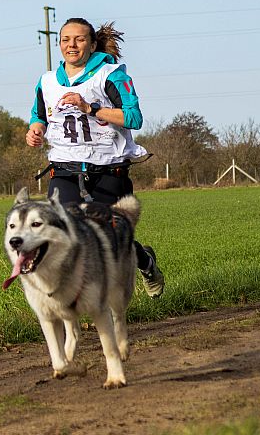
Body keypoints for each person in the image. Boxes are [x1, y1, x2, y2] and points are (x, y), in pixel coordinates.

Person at [26, 17, 165, 298]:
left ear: (91, 44)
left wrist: (90, 107)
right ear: (59, 43)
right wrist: (35, 130)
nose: (71, 45)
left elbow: (133, 118)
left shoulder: (112, 75)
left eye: (78, 39)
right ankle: (72, 301)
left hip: (107, 171)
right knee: (61, 233)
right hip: (64, 170)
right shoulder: (48, 81)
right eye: (65, 40)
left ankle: (145, 261)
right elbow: (39, 115)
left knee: (111, 241)